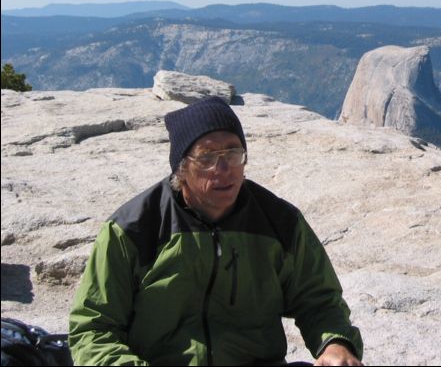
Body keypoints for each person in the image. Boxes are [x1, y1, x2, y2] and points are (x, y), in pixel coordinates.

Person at [69, 96, 363, 366]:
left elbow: (320, 300)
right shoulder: (132, 230)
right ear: (181, 168)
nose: (224, 168)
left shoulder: (280, 223)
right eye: (207, 157)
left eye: (234, 153)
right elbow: (92, 330)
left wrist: (335, 343)